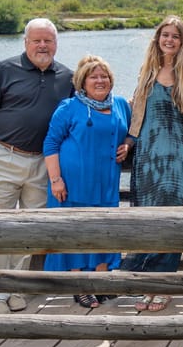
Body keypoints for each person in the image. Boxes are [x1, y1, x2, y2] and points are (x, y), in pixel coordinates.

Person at [0, 17, 74, 314]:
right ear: (25, 43)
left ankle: (16, 287)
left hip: (43, 162)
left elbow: (75, 119)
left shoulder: (67, 76)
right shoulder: (5, 70)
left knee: (29, 230)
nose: (43, 45)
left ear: (56, 43)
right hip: (4, 156)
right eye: (36, 40)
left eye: (48, 40)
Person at [122, 16, 183, 312]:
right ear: (158, 39)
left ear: (182, 41)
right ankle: (147, 285)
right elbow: (137, 113)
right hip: (149, 156)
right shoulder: (148, 72)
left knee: (173, 221)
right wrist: (128, 142)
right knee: (148, 220)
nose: (169, 40)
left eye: (175, 36)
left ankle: (164, 285)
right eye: (165, 35)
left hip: (180, 156)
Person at [43, 55, 131, 309]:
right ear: (82, 81)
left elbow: (131, 134)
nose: (100, 80)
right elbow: (51, 143)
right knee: (75, 231)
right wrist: (56, 180)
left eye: (104, 76)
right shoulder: (69, 107)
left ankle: (102, 281)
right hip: (72, 183)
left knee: (104, 229)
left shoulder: (121, 105)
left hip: (105, 181)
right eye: (94, 76)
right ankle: (80, 285)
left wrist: (127, 145)